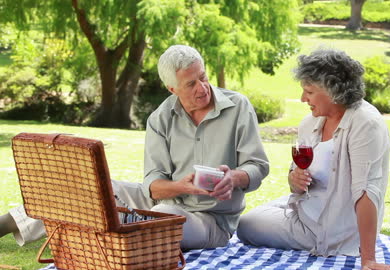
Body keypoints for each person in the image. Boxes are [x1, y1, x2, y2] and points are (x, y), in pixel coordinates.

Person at [0, 45, 269, 250]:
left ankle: (105, 236)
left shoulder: (238, 107)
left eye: (203, 77)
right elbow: (152, 185)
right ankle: (7, 224)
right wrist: (183, 186)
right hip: (164, 200)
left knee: (162, 217)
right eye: (191, 83)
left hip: (210, 220)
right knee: (92, 188)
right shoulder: (160, 119)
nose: (203, 87)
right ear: (172, 88)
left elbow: (257, 166)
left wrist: (233, 178)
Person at [237, 48, 390, 270]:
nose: (303, 98)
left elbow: (366, 192)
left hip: (329, 230)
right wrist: (295, 180)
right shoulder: (310, 123)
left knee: (245, 226)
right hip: (305, 208)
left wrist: (368, 259)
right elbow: (294, 181)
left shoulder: (365, 124)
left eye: (309, 92)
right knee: (248, 220)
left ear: (332, 91)